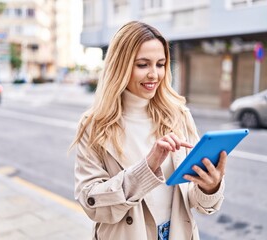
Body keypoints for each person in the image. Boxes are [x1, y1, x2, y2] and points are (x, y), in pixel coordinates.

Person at [71, 21, 227, 240]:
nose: (154, 74)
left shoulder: (178, 115)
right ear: (120, 66)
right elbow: (92, 204)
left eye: (161, 64)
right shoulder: (94, 124)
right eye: (143, 65)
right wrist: (147, 167)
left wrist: (210, 187)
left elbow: (196, 201)